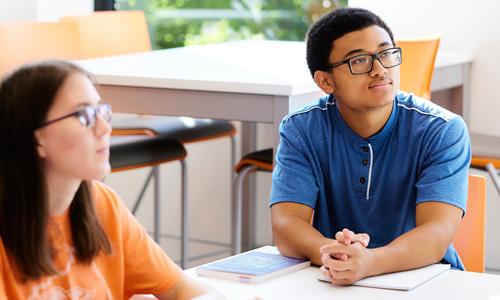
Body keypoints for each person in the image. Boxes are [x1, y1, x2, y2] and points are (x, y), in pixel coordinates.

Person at [270, 7, 471, 285]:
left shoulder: (442, 130)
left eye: (386, 54)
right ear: (326, 81)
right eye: (360, 61)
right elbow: (286, 225)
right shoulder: (302, 129)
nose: (380, 70)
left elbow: (436, 233)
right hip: (337, 282)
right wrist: (336, 255)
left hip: (427, 280)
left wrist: (370, 262)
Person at [0, 60, 213, 299]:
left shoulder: (101, 203)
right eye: (84, 116)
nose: (105, 128)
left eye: (102, 111)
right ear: (36, 138)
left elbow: (178, 288)